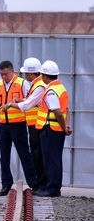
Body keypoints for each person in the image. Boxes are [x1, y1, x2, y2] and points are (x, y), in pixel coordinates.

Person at [2, 57, 47, 191]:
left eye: (26, 73)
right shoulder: (36, 84)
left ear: (32, 73)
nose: (25, 75)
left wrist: (10, 104)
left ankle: (40, 185)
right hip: (32, 125)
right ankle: (38, 185)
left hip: (35, 125)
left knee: (37, 156)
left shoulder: (38, 85)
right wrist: (22, 100)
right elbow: (31, 101)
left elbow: (27, 105)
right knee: (35, 155)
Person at [0, 61, 37, 196]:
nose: (3, 77)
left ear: (12, 71)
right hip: (3, 124)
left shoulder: (22, 83)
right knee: (4, 156)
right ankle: (6, 184)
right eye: (1, 74)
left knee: (24, 154)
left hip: (18, 124)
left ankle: (33, 183)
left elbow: (28, 101)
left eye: (5, 74)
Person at [34, 60, 72, 197]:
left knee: (51, 160)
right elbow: (67, 110)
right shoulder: (61, 88)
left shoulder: (50, 91)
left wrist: (64, 127)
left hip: (51, 130)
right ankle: (54, 188)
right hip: (56, 130)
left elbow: (58, 112)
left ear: (45, 76)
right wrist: (66, 126)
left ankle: (52, 189)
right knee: (55, 159)